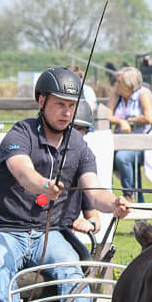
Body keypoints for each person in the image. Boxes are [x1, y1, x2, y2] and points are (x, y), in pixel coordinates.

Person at [0, 67, 130, 302]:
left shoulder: (78, 145)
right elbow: (22, 171)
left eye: (71, 106)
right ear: (42, 101)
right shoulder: (21, 133)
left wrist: (114, 203)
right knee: (0, 265)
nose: (67, 112)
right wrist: (43, 185)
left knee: (72, 269)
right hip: (4, 230)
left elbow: (94, 190)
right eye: (60, 104)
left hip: (47, 234)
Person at [107, 66, 152, 200]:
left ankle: (129, 194)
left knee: (122, 158)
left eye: (119, 82)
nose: (116, 84)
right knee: (104, 157)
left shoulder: (143, 94)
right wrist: (120, 122)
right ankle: (112, 196)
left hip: (142, 143)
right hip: (120, 142)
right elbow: (107, 115)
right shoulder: (117, 94)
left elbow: (149, 118)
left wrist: (129, 121)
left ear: (129, 84)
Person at [67, 99, 101, 235]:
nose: (76, 134)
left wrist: (90, 224)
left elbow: (94, 218)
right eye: (73, 127)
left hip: (64, 235)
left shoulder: (83, 163)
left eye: (81, 129)